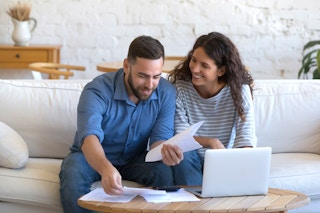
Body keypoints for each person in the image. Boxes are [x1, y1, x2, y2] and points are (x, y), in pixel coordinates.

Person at [59, 35, 202, 213]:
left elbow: (159, 140)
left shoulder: (166, 92)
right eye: (142, 76)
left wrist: (166, 152)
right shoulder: (97, 90)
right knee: (73, 171)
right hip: (90, 157)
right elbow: (89, 138)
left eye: (156, 76)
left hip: (135, 159)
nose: (150, 85)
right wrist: (106, 169)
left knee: (163, 171)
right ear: (126, 66)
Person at [168, 32, 257, 167]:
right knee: (182, 154)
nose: (195, 69)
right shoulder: (180, 86)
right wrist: (210, 141)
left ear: (221, 70)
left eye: (204, 65)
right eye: (194, 60)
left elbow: (246, 139)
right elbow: (181, 138)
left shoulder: (239, 91)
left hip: (223, 160)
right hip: (189, 159)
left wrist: (238, 166)